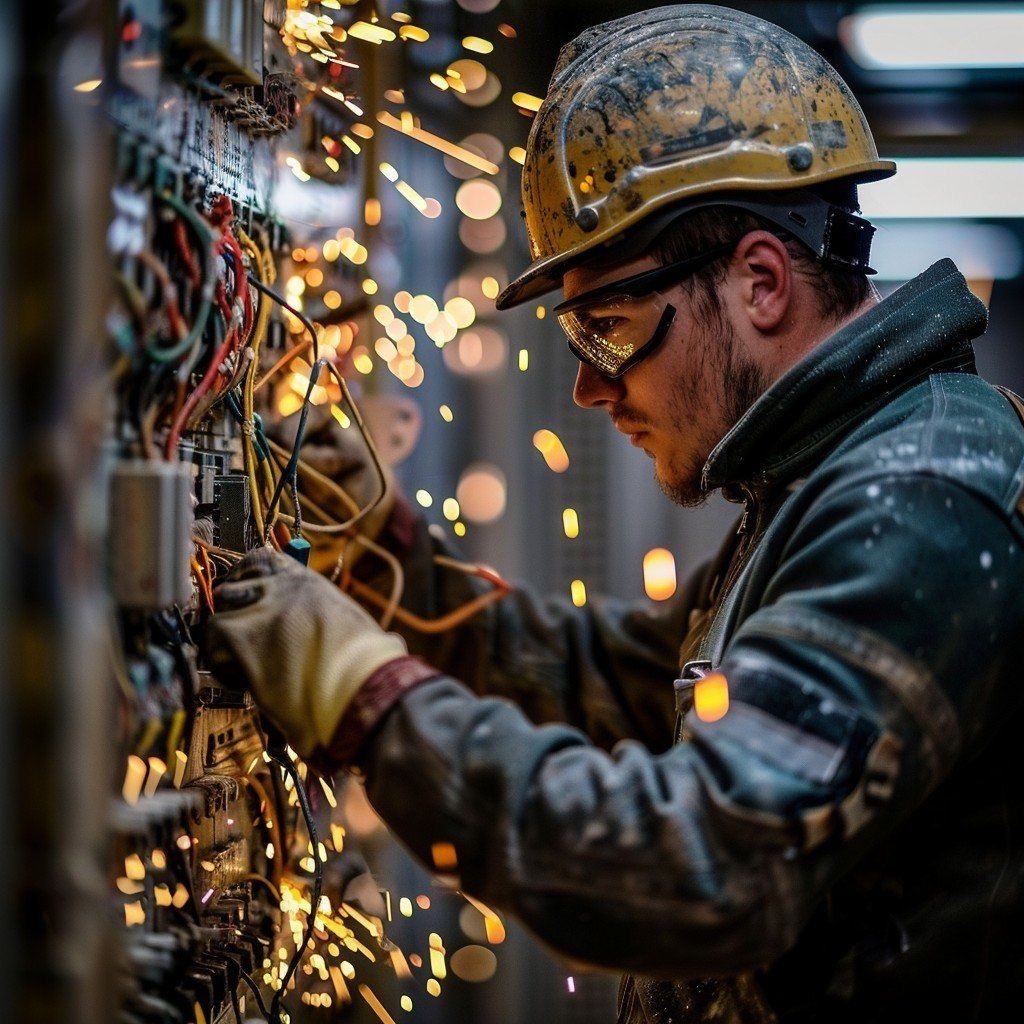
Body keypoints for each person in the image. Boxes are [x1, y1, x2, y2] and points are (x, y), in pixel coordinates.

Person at [205, 6, 1024, 1021]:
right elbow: (614, 687)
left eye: (610, 331)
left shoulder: (916, 496)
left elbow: (700, 867)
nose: (591, 391)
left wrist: (367, 700)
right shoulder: (825, 478)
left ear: (760, 282)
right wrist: (379, 558)